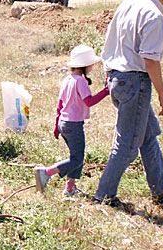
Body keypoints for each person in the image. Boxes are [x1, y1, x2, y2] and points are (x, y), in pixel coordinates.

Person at [94, 0, 163, 206]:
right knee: (127, 144)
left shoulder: (128, 4)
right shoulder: (154, 16)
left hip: (118, 77)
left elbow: (110, 41)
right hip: (135, 82)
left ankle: (161, 188)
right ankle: (103, 195)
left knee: (147, 134)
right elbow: (151, 61)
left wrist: (110, 74)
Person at [34, 45, 109, 196]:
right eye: (91, 64)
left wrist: (56, 126)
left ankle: (70, 188)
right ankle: (46, 172)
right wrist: (106, 91)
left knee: (75, 155)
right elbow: (88, 101)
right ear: (85, 65)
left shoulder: (67, 80)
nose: (93, 66)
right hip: (74, 125)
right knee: (77, 159)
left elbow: (60, 104)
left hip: (64, 123)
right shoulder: (80, 81)